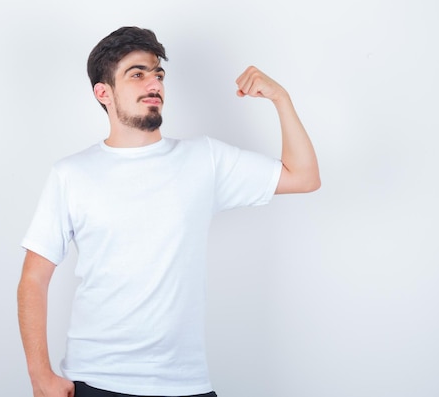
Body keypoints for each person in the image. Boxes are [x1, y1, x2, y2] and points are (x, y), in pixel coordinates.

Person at [17, 26, 320, 397]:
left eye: (158, 73)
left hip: (186, 384)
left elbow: (303, 176)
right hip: (96, 380)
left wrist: (281, 99)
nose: (154, 82)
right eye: (137, 74)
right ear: (103, 93)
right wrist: (39, 375)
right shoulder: (72, 174)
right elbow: (34, 278)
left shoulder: (203, 158)